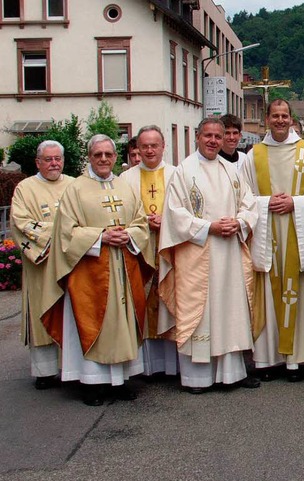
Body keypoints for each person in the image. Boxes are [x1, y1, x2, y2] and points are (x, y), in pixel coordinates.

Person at [40, 134, 153, 406]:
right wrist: (101, 237)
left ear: (115, 157)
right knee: (94, 323)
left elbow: (141, 224)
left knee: (122, 323)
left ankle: (120, 381)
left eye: (108, 154)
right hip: (89, 272)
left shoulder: (125, 187)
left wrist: (129, 235)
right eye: (97, 155)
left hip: (123, 268)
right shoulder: (76, 189)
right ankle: (91, 383)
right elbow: (66, 233)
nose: (103, 159)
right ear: (89, 157)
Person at [158, 118, 259, 393]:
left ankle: (230, 373)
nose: (213, 141)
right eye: (208, 136)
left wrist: (238, 223)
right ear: (198, 138)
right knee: (201, 312)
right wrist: (209, 227)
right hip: (197, 252)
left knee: (229, 310)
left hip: (229, 253)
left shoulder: (231, 170)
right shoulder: (183, 171)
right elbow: (175, 214)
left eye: (218, 136)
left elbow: (250, 204)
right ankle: (197, 378)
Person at [241, 99, 304, 382]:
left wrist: (296, 202)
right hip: (267, 235)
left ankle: (294, 360)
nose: (280, 121)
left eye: (284, 116)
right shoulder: (253, 155)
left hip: (298, 232)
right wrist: (266, 203)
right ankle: (268, 360)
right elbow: (241, 196)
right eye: (275, 116)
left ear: (291, 119)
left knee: (297, 293)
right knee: (269, 293)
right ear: (267, 119)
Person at [10, 140, 74, 390]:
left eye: (58, 158)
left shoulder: (73, 185)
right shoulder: (25, 189)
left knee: (71, 314)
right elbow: (20, 223)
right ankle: (45, 372)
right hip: (42, 264)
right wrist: (61, 233)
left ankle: (71, 367)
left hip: (70, 263)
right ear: (38, 162)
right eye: (48, 159)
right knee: (43, 311)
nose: (54, 163)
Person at [119, 125, 178, 378]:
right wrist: (145, 221)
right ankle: (145, 366)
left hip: (170, 249)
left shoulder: (177, 174)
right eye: (145, 146)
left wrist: (167, 219)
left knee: (169, 302)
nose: (150, 150)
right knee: (141, 301)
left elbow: (188, 209)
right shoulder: (126, 179)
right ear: (137, 150)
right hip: (140, 253)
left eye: (155, 145)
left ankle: (171, 364)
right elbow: (120, 213)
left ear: (164, 146)